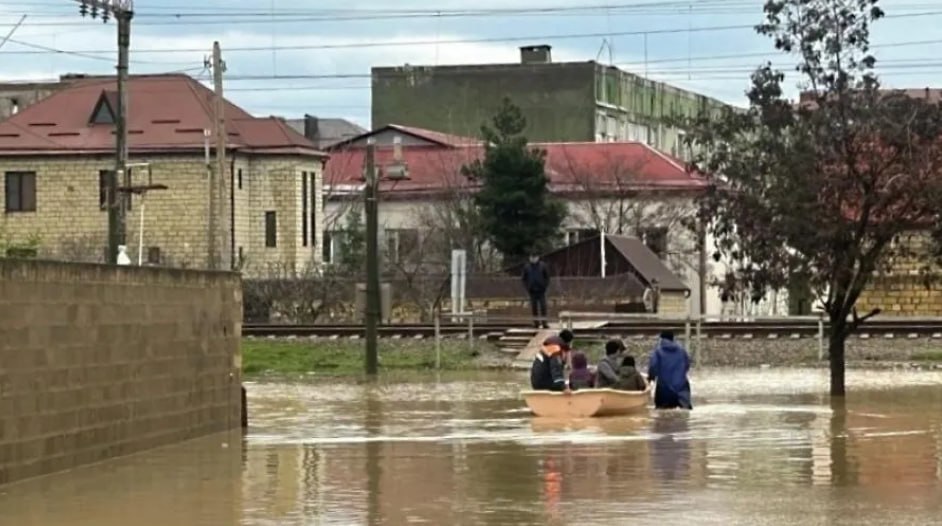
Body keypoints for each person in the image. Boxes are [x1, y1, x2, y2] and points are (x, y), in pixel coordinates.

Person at [647, 331, 692, 409]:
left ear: (661, 339)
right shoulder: (682, 351)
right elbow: (687, 365)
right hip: (681, 388)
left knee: (662, 414)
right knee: (684, 414)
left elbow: (653, 367)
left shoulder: (658, 352)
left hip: (664, 388)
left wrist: (651, 378)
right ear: (673, 338)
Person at [522, 254, 551, 328]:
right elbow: (524, 278)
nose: (533, 259)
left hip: (541, 290)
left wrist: (545, 286)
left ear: (538, 258)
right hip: (532, 291)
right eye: (532, 257)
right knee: (534, 307)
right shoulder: (527, 267)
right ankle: (536, 323)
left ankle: (544, 322)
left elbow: (547, 277)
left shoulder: (543, 266)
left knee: (543, 306)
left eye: (534, 257)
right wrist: (528, 287)